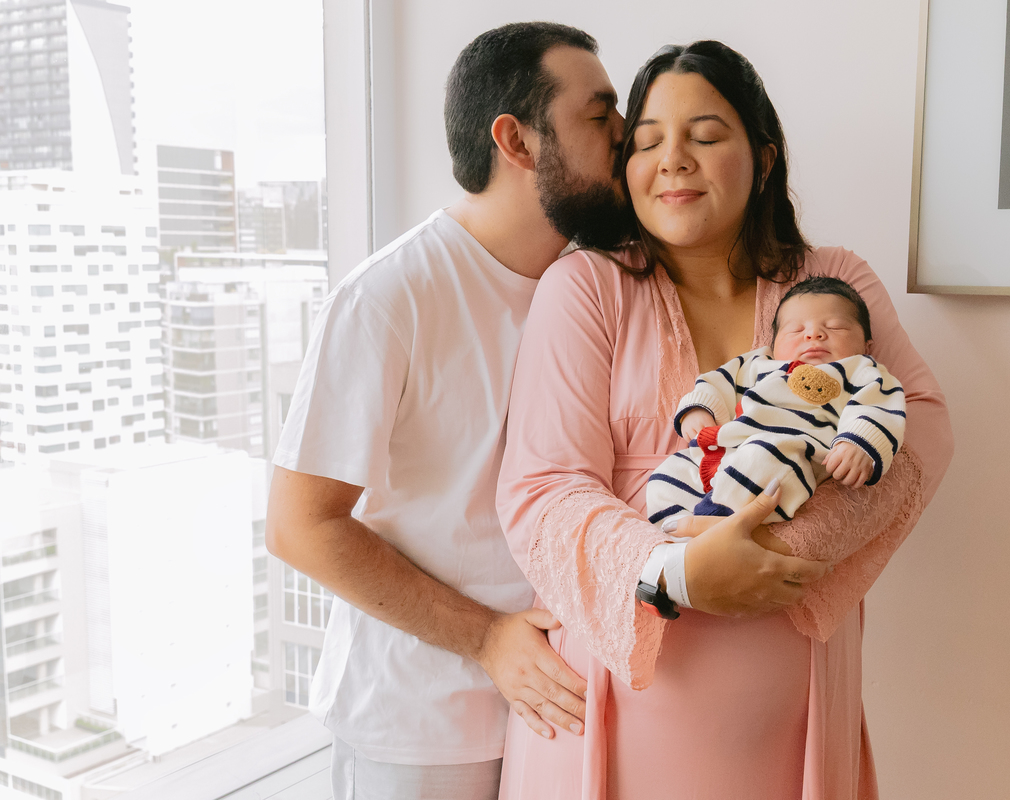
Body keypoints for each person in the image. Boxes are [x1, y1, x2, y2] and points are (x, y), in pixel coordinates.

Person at [495, 40, 954, 799]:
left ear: (764, 158)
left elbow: (923, 428)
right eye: (645, 142)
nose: (673, 160)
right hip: (614, 704)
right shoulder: (585, 287)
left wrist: (776, 553)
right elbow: (544, 489)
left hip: (796, 710)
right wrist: (681, 573)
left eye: (705, 137)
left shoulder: (833, 283)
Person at [265, 22, 630, 800]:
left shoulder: (591, 288)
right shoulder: (390, 297)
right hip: (418, 734)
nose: (629, 142)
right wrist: (488, 638)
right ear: (517, 141)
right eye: (601, 118)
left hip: (559, 715)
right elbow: (302, 526)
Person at [645, 276, 906, 538]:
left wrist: (858, 445)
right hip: (728, 450)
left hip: (792, 454)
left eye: (835, 327)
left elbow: (879, 408)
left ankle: (714, 525)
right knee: (665, 477)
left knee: (764, 459)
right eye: (795, 330)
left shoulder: (861, 371)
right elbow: (717, 382)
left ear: (866, 346)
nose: (813, 334)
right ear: (774, 344)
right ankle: (674, 537)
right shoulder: (759, 363)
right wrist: (700, 408)